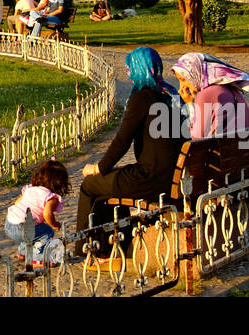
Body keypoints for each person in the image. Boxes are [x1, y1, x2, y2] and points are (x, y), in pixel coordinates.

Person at [74, 46, 185, 256]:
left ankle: (87, 250)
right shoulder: (169, 94)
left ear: (136, 70)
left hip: (150, 178)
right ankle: (117, 246)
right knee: (111, 184)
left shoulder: (141, 97)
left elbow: (121, 140)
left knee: (90, 186)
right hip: (172, 177)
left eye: (129, 69)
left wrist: (99, 167)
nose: (128, 74)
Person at [172, 52, 249, 138]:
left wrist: (190, 104)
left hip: (223, 149)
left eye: (183, 79)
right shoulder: (230, 87)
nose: (182, 86)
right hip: (242, 146)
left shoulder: (205, 95)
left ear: (195, 73)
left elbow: (196, 137)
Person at [4, 159, 69, 266]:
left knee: (35, 229)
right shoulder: (50, 198)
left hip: (9, 223)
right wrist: (54, 224)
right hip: (22, 229)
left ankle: (23, 252)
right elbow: (47, 214)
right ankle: (37, 258)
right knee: (46, 231)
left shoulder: (30, 189)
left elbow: (17, 202)